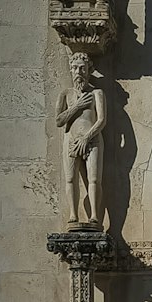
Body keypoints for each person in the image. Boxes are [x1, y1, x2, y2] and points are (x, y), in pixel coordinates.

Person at [56, 52, 106, 226]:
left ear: (88, 70)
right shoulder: (66, 94)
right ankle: (73, 214)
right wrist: (76, 106)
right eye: (76, 68)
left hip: (92, 140)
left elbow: (101, 120)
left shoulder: (96, 93)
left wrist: (87, 137)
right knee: (70, 178)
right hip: (71, 140)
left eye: (82, 68)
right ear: (71, 69)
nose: (79, 72)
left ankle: (94, 215)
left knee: (93, 179)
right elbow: (59, 120)